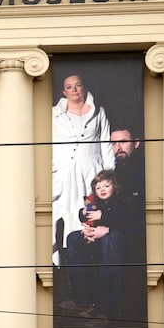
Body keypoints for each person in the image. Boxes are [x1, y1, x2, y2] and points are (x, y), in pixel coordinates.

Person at [52, 74, 115, 265]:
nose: (74, 90)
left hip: (91, 173)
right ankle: (65, 265)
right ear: (64, 91)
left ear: (84, 87)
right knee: (64, 216)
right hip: (65, 175)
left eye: (78, 85)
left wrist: (108, 173)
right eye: (69, 86)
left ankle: (89, 258)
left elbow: (105, 143)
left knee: (88, 213)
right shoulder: (54, 114)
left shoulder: (98, 112)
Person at [63, 169, 127, 328]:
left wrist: (102, 217)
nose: (102, 190)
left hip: (114, 237)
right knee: (73, 238)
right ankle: (81, 298)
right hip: (95, 235)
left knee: (109, 241)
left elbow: (121, 218)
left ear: (115, 187)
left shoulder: (119, 201)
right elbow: (86, 216)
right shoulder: (94, 201)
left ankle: (103, 308)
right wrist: (86, 224)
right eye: (98, 188)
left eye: (106, 186)